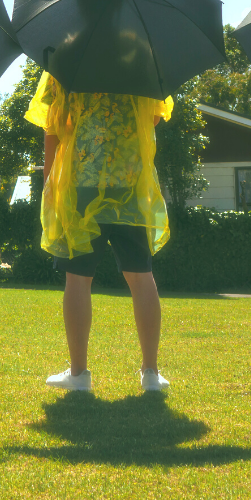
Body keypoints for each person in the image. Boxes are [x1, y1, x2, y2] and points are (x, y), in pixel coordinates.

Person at [25, 71, 173, 393]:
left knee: (77, 279)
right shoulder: (138, 56)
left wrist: (50, 183)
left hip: (82, 183)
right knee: (141, 275)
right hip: (130, 181)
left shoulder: (65, 63)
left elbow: (52, 126)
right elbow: (154, 118)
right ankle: (151, 374)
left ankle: (78, 375)